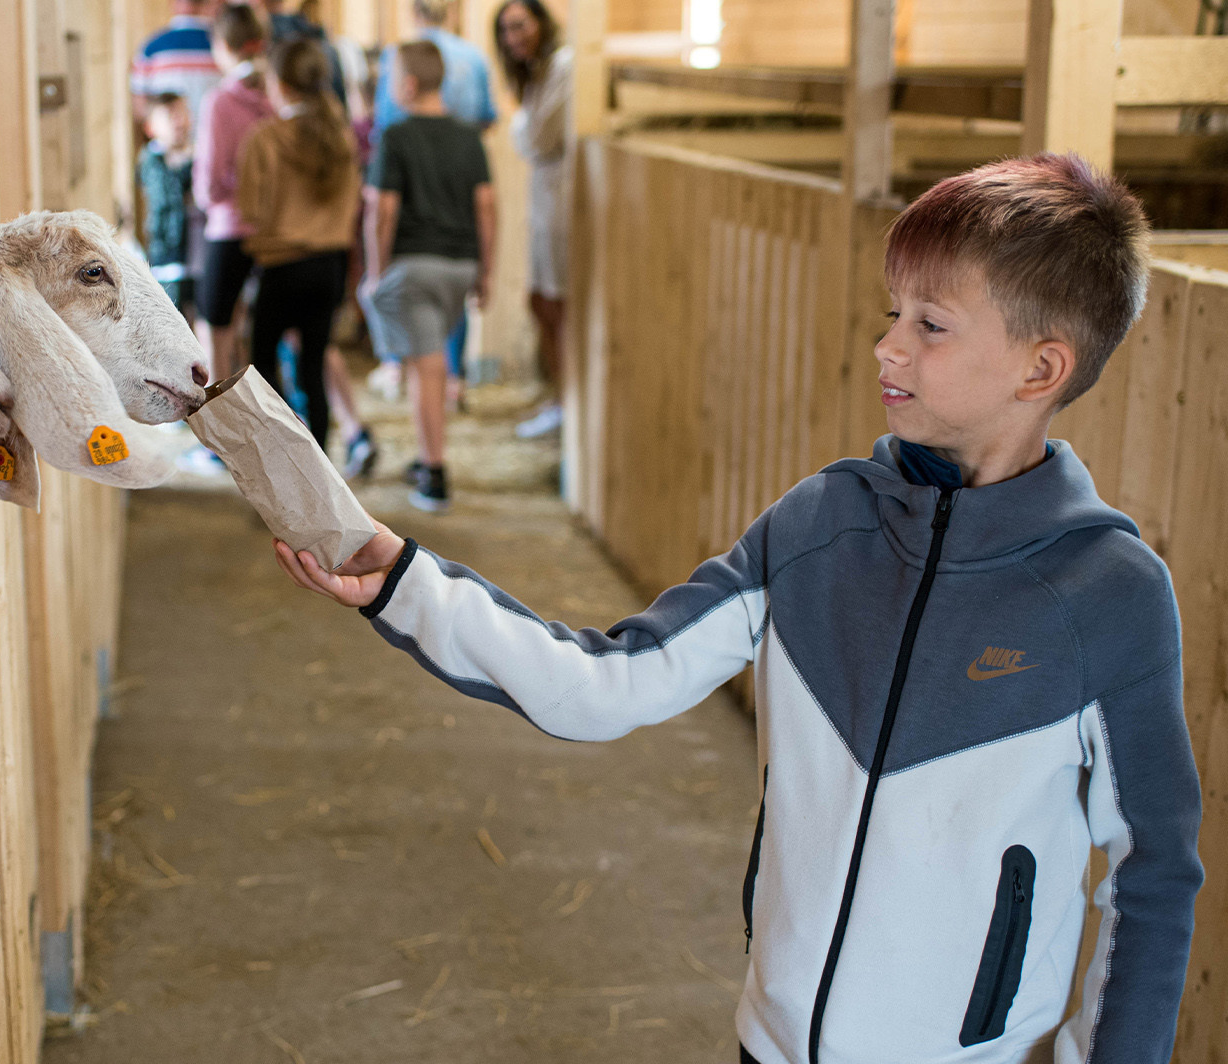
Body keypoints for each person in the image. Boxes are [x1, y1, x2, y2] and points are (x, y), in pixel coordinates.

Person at [277, 153, 1196, 1064]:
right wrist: (407, 582)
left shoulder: (1107, 593)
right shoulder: (819, 527)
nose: (889, 346)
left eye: (932, 325)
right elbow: (608, 685)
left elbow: (1150, 876)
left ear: (1041, 370)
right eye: (892, 314)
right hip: (773, 1039)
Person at [360, 40, 495, 513]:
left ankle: (434, 473)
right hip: (460, 266)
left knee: (427, 367)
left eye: (393, 77)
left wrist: (376, 272)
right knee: (432, 361)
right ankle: (427, 458)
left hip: (413, 267)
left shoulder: (395, 137)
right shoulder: (468, 136)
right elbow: (486, 208)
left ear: (409, 85)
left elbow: (383, 209)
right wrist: (487, 272)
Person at [237, 37, 360, 453]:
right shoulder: (341, 138)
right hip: (329, 267)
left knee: (263, 368)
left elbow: (248, 208)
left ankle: (289, 453)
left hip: (281, 266)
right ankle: (323, 470)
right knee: (313, 367)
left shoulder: (265, 138)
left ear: (281, 84)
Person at [495, 0, 573, 439]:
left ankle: (565, 402)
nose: (514, 38)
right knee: (540, 301)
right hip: (545, 194)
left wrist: (521, 127)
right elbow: (529, 135)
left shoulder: (564, 66)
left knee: (552, 304)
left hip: (560, 196)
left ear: (540, 22)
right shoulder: (538, 73)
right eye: (506, 30)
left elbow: (536, 135)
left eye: (520, 26)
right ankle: (559, 397)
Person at [192, 5, 273, 381]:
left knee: (215, 327)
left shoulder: (220, 100)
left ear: (223, 45)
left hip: (230, 226)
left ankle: (220, 430)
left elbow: (207, 184)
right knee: (272, 329)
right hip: (276, 229)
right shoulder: (277, 94)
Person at [372, 0, 498, 140]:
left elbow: (385, 118)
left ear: (414, 13)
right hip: (463, 148)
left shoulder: (398, 55)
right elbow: (486, 117)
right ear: (451, 13)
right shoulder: (475, 56)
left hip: (408, 150)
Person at [138, 92, 197, 313]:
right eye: (171, 116)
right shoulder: (151, 159)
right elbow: (168, 192)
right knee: (174, 313)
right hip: (168, 253)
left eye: (184, 113)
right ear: (150, 127)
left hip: (196, 252)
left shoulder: (195, 154)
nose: (180, 121)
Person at [131, 0, 221, 117]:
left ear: (172, 3)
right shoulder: (222, 46)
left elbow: (140, 104)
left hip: (167, 133)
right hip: (218, 132)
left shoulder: (150, 48)